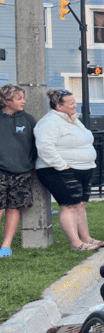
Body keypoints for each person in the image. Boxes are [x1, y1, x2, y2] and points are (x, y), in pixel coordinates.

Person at [34, 89, 104, 251]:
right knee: (69, 206)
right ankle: (76, 244)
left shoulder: (72, 119)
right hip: (58, 170)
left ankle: (87, 239)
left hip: (82, 168)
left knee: (80, 205)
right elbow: (45, 148)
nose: (75, 105)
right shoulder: (49, 122)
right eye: (71, 103)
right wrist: (63, 166)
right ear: (59, 106)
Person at [0, 84, 36, 259]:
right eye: (19, 98)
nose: (23, 101)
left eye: (24, 97)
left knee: (14, 208)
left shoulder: (28, 120)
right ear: (6, 101)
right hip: (0, 171)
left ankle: (6, 245)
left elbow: (36, 145)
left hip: (22, 172)